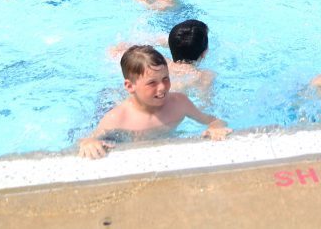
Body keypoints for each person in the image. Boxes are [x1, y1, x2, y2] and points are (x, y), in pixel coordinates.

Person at [78, 45, 230, 159]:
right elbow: (87, 139)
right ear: (130, 86)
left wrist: (215, 127)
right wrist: (88, 142)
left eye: (166, 79)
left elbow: (213, 120)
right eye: (152, 83)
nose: (162, 87)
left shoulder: (179, 103)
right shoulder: (117, 118)